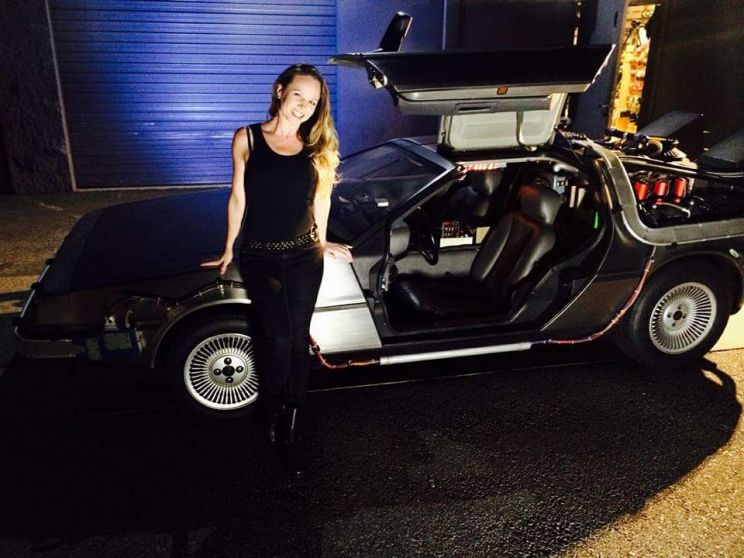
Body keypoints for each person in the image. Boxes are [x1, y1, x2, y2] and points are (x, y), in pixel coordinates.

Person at [201, 64, 352, 479]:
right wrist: (228, 248)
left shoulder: (317, 145)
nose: (304, 106)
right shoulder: (247, 138)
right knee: (278, 336)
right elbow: (238, 196)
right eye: (298, 95)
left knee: (298, 339)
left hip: (304, 256)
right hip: (260, 255)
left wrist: (323, 240)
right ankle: (270, 404)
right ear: (280, 90)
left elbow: (321, 199)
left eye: (313, 101)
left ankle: (290, 426)